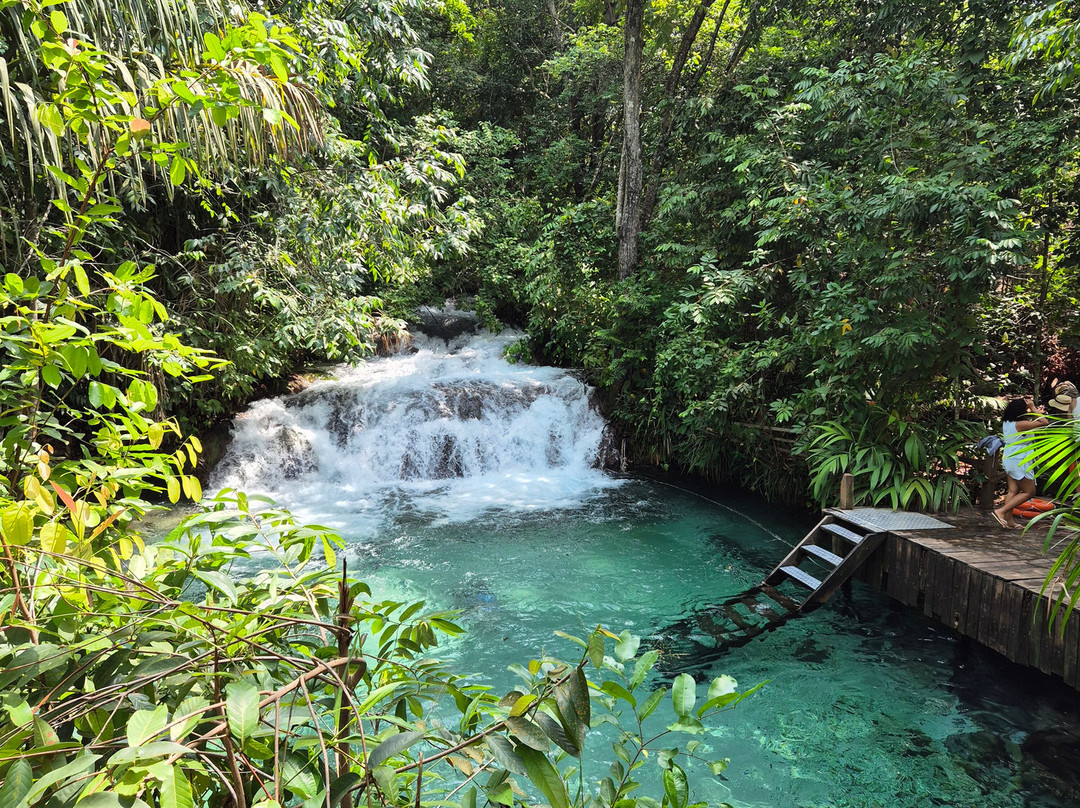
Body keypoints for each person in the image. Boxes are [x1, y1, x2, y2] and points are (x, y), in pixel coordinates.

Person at [993, 396, 1049, 529]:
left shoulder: (1009, 423)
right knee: (1029, 492)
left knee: (1013, 491)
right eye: (1026, 409)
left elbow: (1036, 422)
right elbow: (1044, 423)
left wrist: (1035, 411)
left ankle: (1009, 521)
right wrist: (1034, 408)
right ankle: (1000, 512)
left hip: (1010, 458)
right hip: (1020, 460)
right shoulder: (1020, 425)